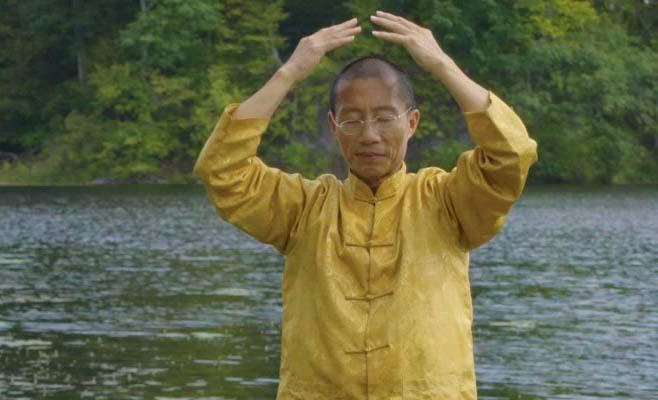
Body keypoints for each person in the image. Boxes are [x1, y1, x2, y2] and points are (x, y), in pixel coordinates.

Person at [192, 10, 538, 399]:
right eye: (352, 120)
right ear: (333, 125)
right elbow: (222, 170)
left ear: (412, 123)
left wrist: (442, 64)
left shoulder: (448, 201)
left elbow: (511, 154)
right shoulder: (303, 208)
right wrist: (288, 73)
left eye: (385, 117)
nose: (369, 134)